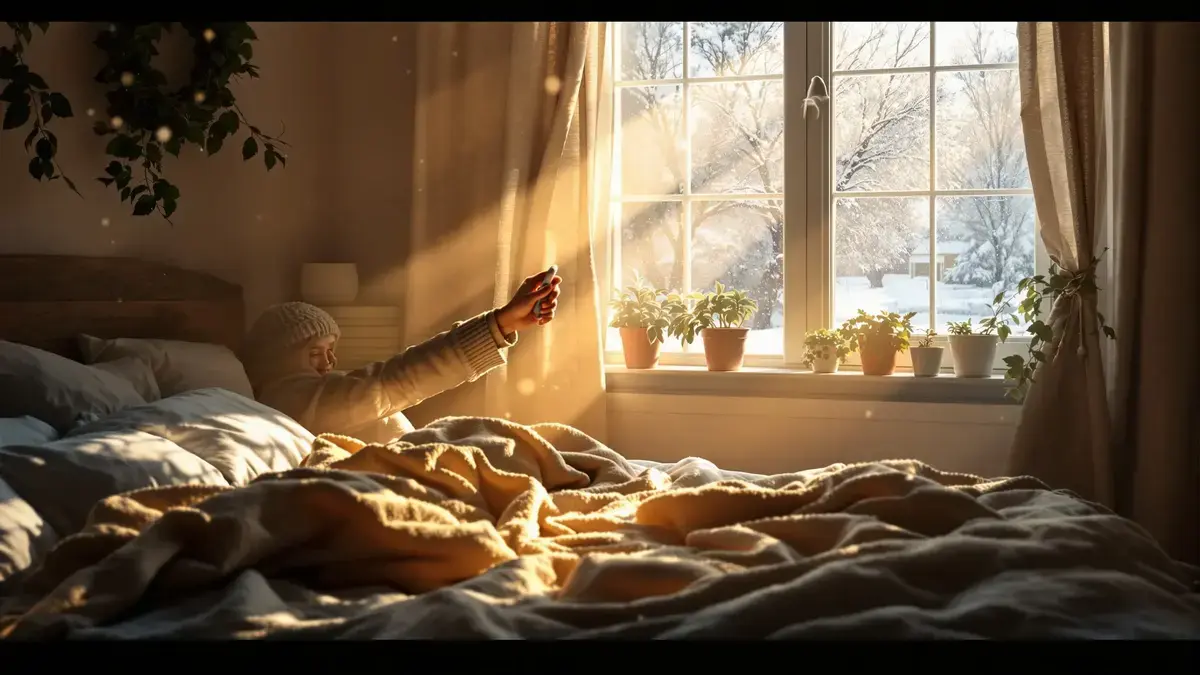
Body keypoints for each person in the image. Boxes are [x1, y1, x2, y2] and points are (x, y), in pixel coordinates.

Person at [241, 268, 562, 443]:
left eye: (331, 351)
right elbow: (399, 379)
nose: (330, 364)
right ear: (277, 358)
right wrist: (499, 323)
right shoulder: (293, 399)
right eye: (315, 353)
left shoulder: (316, 395)